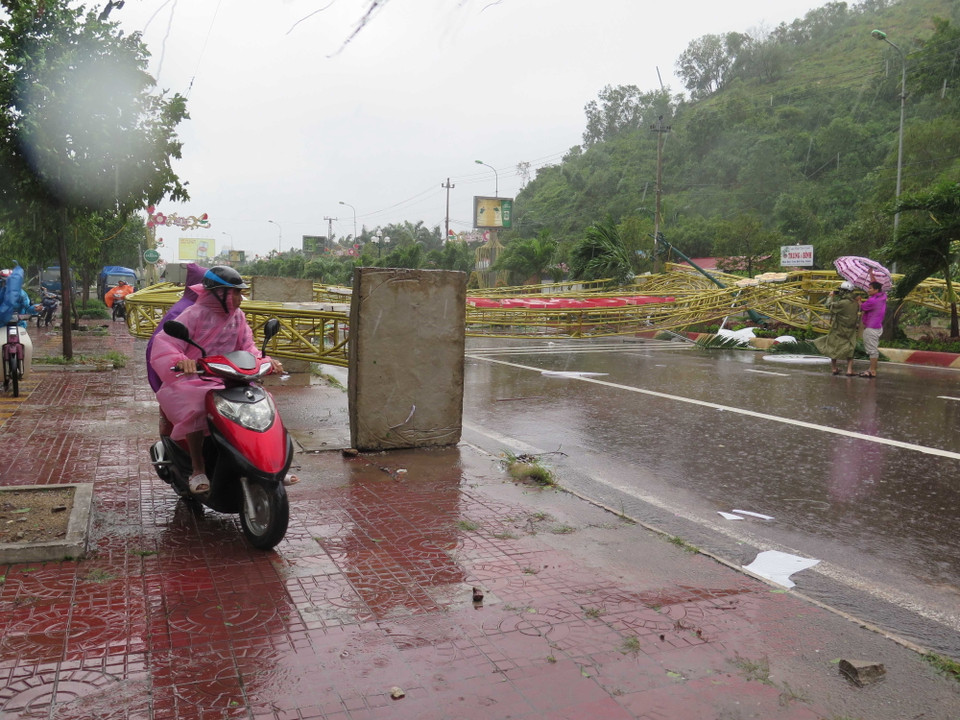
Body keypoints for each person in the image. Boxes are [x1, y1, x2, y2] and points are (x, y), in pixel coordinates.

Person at [149, 266, 287, 494]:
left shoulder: (238, 317)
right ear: (218, 293)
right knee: (196, 406)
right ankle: (197, 468)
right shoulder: (193, 315)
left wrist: (266, 360)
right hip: (196, 379)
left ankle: (270, 462)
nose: (240, 298)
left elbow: (248, 346)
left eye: (240, 293)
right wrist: (182, 360)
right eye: (235, 292)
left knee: (264, 403)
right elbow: (166, 343)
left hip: (232, 377)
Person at [813, 280, 860, 376]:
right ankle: (849, 369)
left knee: (833, 346)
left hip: (838, 329)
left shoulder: (842, 303)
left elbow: (829, 306)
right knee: (850, 347)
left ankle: (834, 368)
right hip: (850, 329)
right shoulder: (855, 303)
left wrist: (831, 296)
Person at [0, 269, 40, 377]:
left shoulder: (22, 294)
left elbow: (28, 308)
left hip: (19, 325)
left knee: (27, 345)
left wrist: (35, 309)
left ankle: (26, 365)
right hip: (1, 325)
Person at [858, 276, 887, 378]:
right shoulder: (882, 296)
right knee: (872, 348)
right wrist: (871, 274)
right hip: (877, 326)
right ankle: (871, 369)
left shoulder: (872, 301)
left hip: (871, 327)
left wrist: (859, 301)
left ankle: (873, 371)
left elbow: (862, 307)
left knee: (872, 350)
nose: (868, 290)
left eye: (870, 288)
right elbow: (875, 283)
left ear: (876, 290)